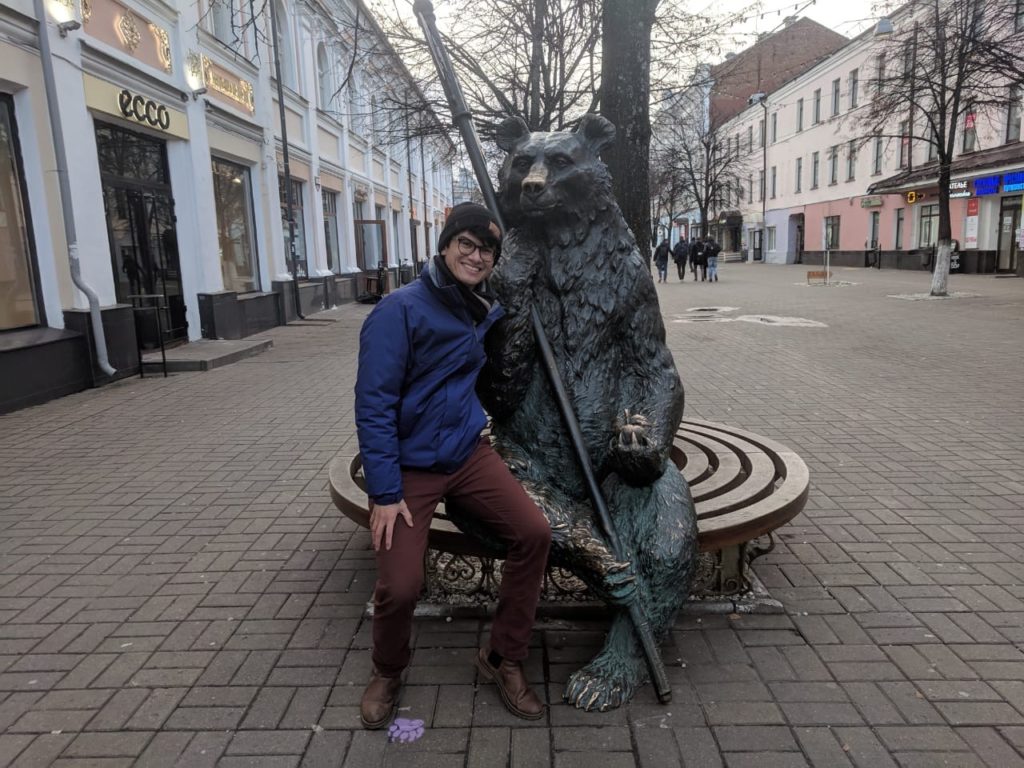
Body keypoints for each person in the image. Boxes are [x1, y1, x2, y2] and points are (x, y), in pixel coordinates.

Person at [354, 202, 552, 729]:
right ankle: (388, 670)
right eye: (466, 243)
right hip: (408, 471)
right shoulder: (399, 310)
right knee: (400, 587)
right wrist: (386, 491)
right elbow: (372, 406)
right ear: (444, 246)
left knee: (533, 533)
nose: (476, 255)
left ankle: (502, 658)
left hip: (466, 456)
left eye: (486, 249)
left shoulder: (480, 308)